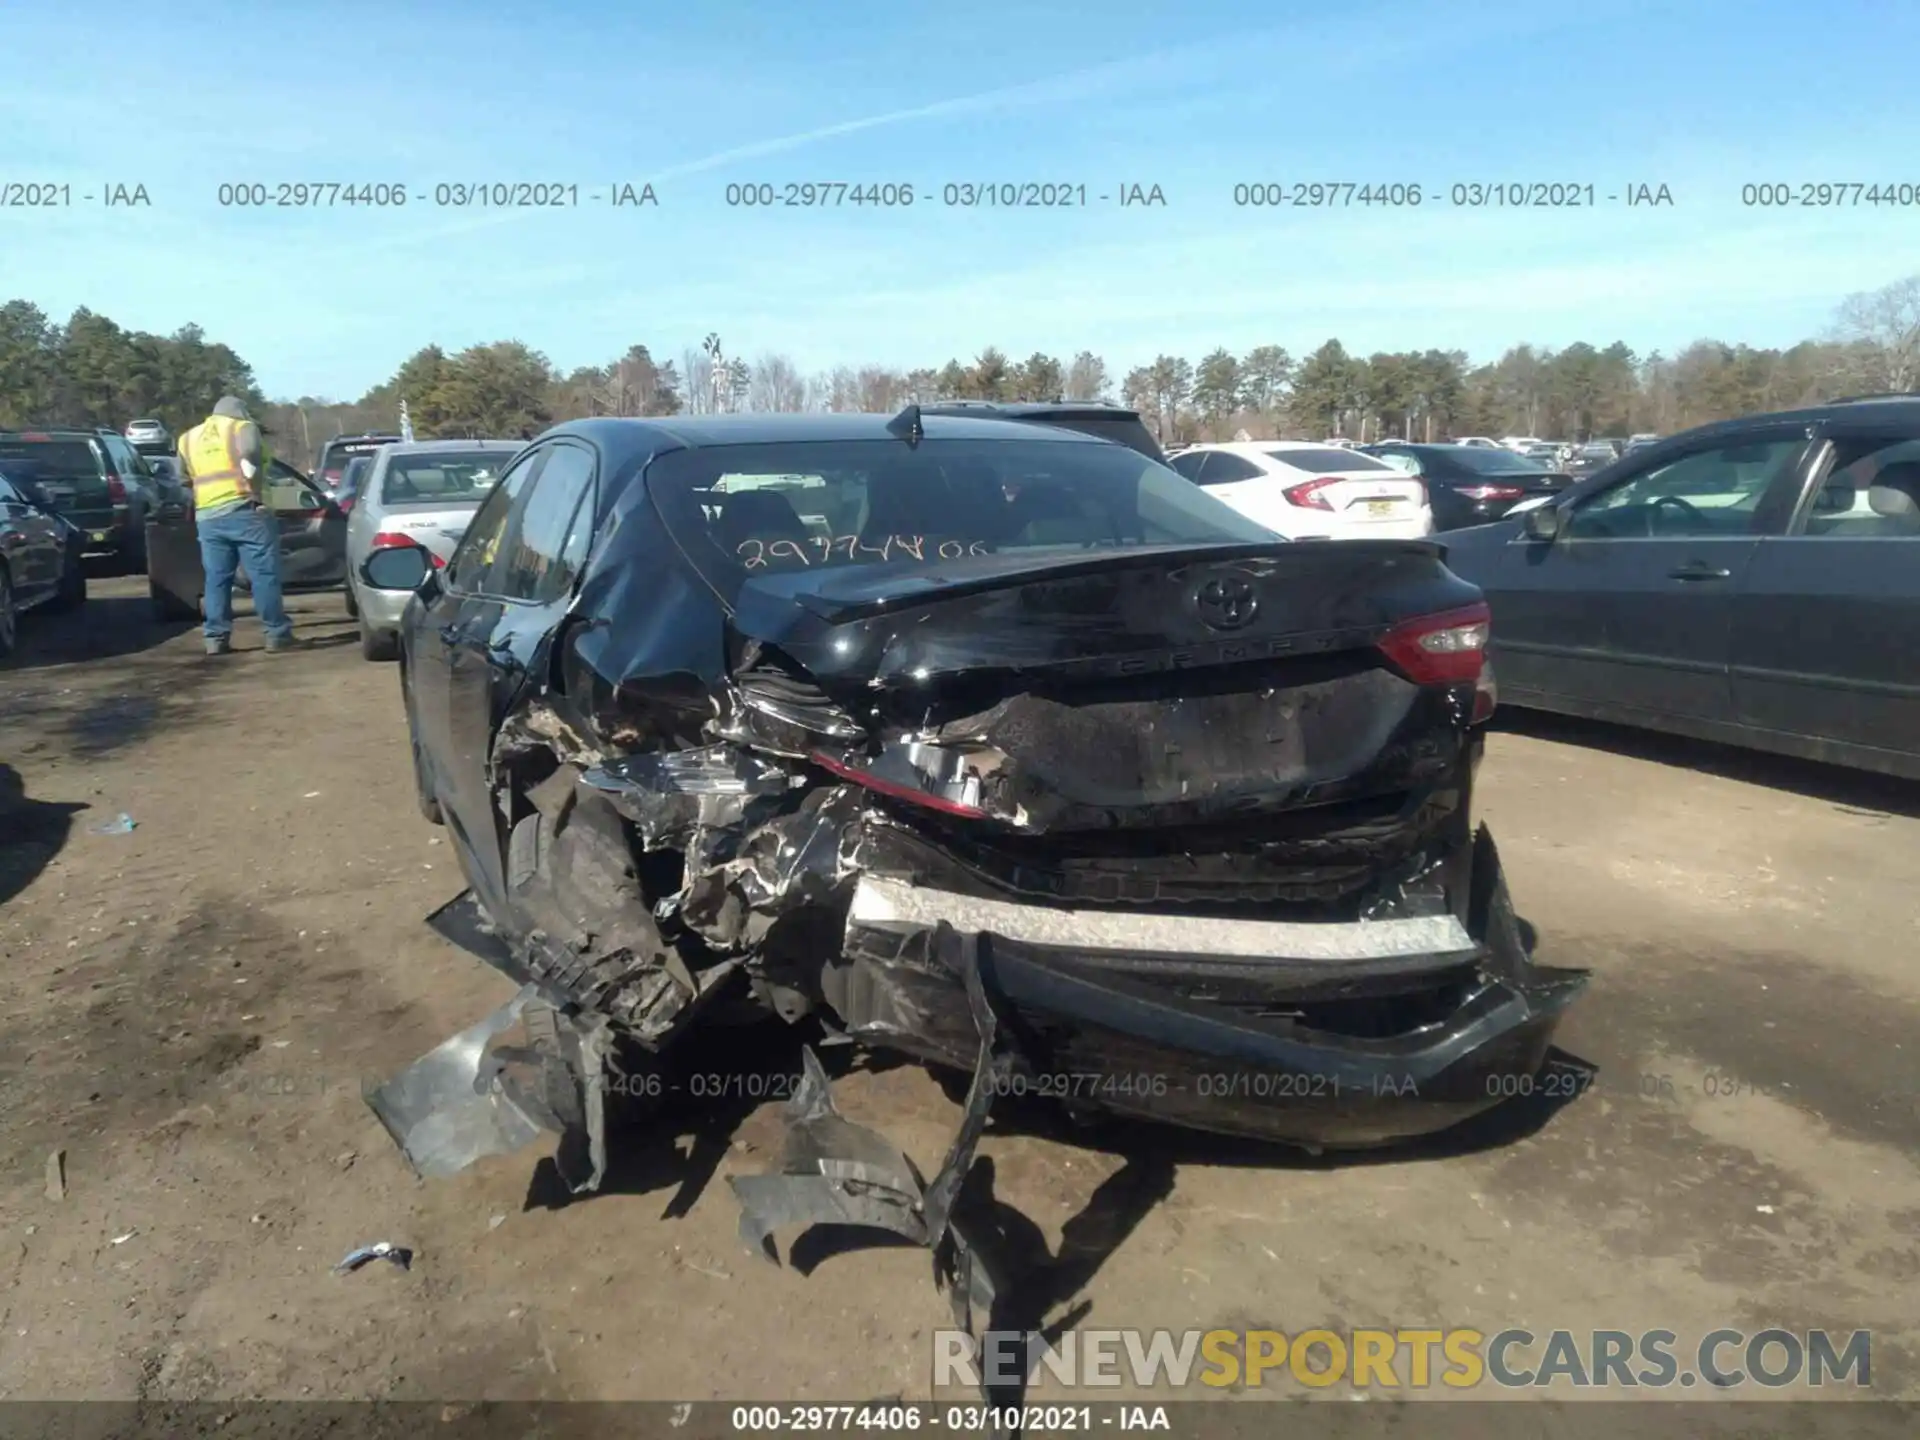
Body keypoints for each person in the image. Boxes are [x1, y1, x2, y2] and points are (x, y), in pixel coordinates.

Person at [176, 396, 295, 654]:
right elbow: (250, 453)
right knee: (263, 575)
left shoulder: (188, 438)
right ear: (240, 412)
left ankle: (216, 638)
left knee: (217, 578)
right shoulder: (242, 428)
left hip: (208, 516)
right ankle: (276, 633)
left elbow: (182, 478)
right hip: (246, 510)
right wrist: (254, 489)